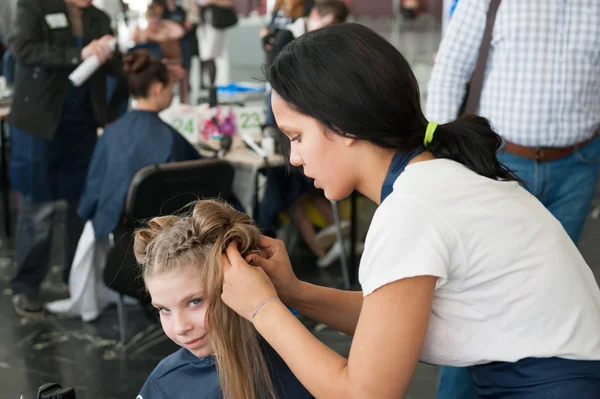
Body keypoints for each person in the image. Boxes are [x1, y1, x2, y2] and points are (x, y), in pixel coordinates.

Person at [217, 24, 600, 398]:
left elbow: (364, 393)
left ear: (343, 125)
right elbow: (388, 322)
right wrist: (293, 293)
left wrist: (262, 308)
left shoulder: (413, 209)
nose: (295, 158)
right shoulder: (436, 181)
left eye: (297, 137)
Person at [426, 1, 600, 397]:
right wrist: (435, 154)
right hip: (497, 164)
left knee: (549, 296)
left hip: (578, 163)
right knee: (477, 294)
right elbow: (451, 68)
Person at [45, 50, 201, 321]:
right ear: (156, 88)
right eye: (170, 88)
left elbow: (92, 196)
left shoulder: (111, 134)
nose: (172, 94)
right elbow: (199, 183)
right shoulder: (170, 138)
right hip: (176, 244)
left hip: (125, 245)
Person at [8, 0, 125, 317]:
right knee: (39, 206)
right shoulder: (35, 8)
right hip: (41, 125)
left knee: (81, 206)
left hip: (83, 125)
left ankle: (75, 280)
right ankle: (27, 286)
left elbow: (116, 69)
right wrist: (78, 55)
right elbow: (23, 50)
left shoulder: (99, 18)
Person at [133, 200, 311, 399]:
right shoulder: (165, 383)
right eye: (164, 309)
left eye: (195, 302)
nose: (180, 327)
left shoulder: (299, 365)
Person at [258, 0, 350, 268]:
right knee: (292, 186)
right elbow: (275, 86)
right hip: (290, 120)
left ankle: (332, 241)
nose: (331, 30)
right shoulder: (289, 38)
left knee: (297, 187)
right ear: (315, 14)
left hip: (309, 120)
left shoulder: (319, 42)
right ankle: (329, 243)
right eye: (330, 23)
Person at [196, 0, 234, 90]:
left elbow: (228, 3)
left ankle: (212, 86)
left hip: (215, 26)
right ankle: (204, 84)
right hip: (203, 25)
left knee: (211, 56)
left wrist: (211, 1)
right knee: (205, 56)